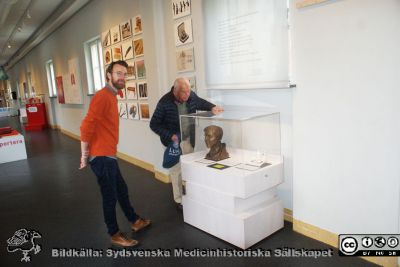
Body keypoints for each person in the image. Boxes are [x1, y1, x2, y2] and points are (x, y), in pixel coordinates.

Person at [79, 60, 151, 247]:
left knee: (121, 189)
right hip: (101, 156)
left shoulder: (112, 96)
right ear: (109, 75)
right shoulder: (102, 96)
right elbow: (86, 125)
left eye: (125, 74)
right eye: (118, 73)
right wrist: (83, 155)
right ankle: (114, 233)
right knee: (110, 195)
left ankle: (134, 220)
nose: (122, 77)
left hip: (108, 153)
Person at [150, 77, 223, 210]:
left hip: (189, 139)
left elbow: (200, 102)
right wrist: (170, 136)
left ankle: (189, 194)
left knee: (188, 168)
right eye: (184, 92)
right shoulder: (164, 102)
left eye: (189, 91)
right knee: (177, 171)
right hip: (174, 143)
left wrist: (212, 107)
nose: (187, 95)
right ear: (176, 90)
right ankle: (179, 200)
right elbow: (154, 124)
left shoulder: (190, 95)